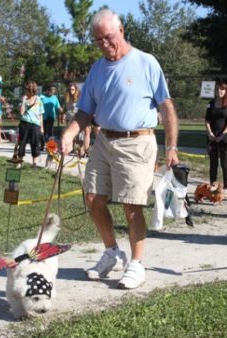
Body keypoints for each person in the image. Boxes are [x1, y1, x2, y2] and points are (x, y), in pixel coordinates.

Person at [60, 9, 179, 289]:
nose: (104, 44)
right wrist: (68, 134)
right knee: (93, 199)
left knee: (131, 204)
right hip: (103, 141)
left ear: (121, 31)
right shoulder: (97, 69)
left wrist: (172, 146)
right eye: (98, 40)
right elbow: (85, 111)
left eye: (108, 37)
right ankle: (112, 252)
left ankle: (136, 265)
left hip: (137, 141)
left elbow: (167, 107)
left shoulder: (146, 62)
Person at [205, 81, 227, 194]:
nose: (219, 91)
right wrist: (210, 133)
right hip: (212, 138)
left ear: (226, 91)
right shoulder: (210, 104)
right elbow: (207, 120)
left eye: (222, 89)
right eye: (217, 89)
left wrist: (222, 135)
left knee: (224, 163)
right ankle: (213, 186)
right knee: (213, 163)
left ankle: (226, 188)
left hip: (225, 138)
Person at [17, 80, 44, 169]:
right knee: (22, 143)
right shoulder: (24, 99)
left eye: (27, 89)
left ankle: (34, 163)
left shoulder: (39, 100)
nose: (25, 91)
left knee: (35, 143)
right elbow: (21, 112)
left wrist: (41, 127)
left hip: (35, 125)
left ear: (31, 90)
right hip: (25, 123)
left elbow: (40, 115)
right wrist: (24, 100)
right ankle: (19, 162)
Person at [62, 83, 91, 156]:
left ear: (76, 90)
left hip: (79, 119)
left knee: (81, 136)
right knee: (72, 136)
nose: (71, 91)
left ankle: (84, 152)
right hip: (70, 119)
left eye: (72, 89)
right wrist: (63, 115)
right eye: (69, 89)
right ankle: (74, 150)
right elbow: (65, 109)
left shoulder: (79, 98)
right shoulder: (67, 98)